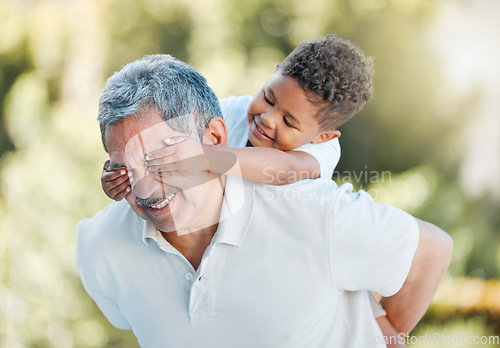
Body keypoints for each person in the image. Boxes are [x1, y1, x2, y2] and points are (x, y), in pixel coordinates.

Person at [76, 54, 452, 348]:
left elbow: (432, 250)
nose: (146, 187)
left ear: (215, 138)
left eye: (165, 161)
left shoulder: (313, 211)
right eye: (126, 166)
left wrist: (383, 334)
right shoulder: (101, 248)